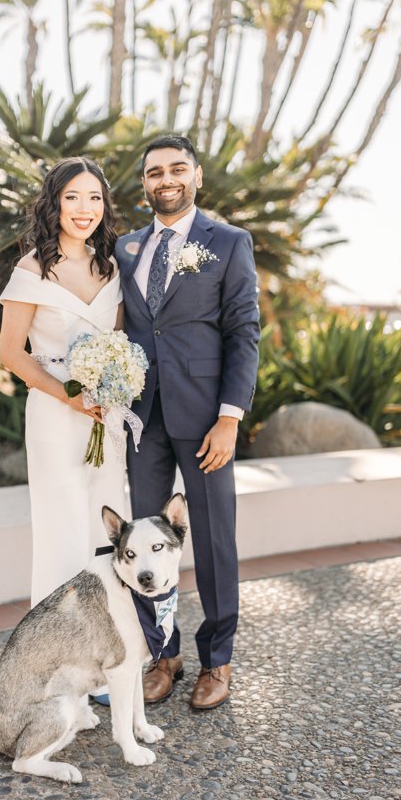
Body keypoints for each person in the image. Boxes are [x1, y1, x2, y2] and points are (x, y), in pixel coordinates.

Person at [115, 134, 260, 710]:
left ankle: (217, 662)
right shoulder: (126, 248)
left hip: (205, 420)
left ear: (196, 177)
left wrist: (229, 419)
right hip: (141, 420)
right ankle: (165, 654)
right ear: (144, 182)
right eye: (154, 172)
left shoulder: (228, 242)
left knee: (216, 541)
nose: (165, 180)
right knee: (146, 544)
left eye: (177, 169)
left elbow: (243, 332)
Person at [0, 157, 127, 618]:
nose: (84, 207)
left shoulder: (110, 268)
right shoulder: (31, 270)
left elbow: (117, 343)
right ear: (54, 204)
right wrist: (68, 394)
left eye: (94, 197)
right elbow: (11, 354)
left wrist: (115, 381)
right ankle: (60, 669)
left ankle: (102, 660)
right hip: (56, 414)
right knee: (63, 532)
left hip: (106, 416)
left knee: (106, 529)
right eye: (72, 197)